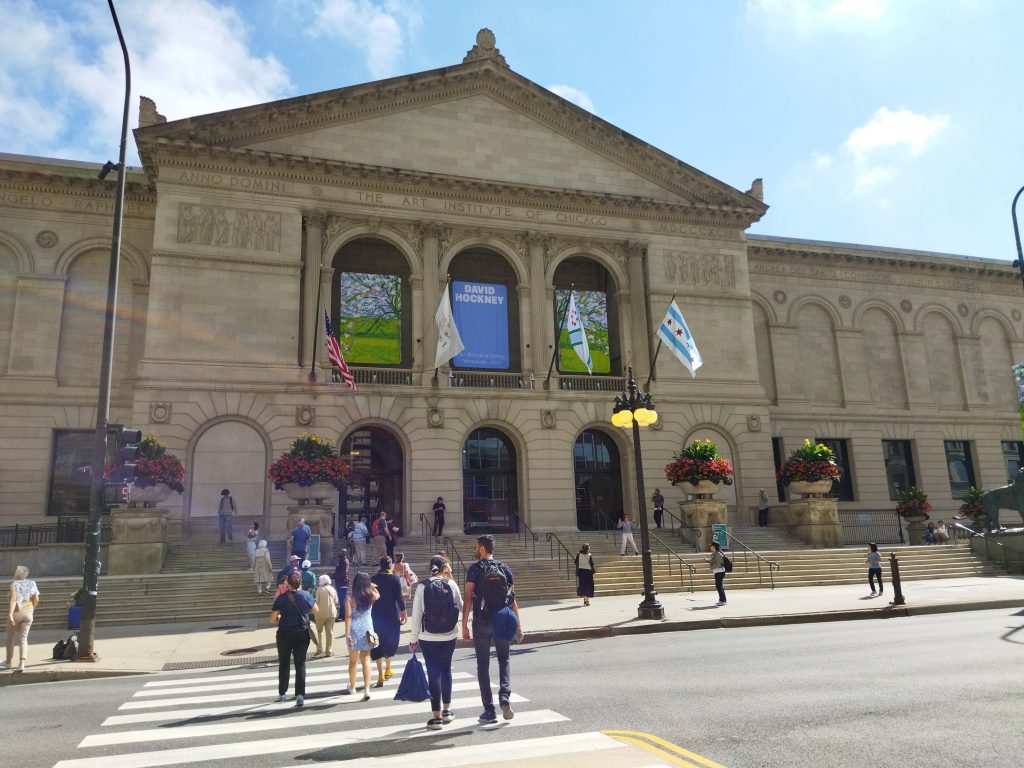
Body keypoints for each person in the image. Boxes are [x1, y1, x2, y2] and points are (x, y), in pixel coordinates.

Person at [462, 534, 522, 724]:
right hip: (502, 619)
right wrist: (518, 625)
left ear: (481, 548)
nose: (474, 549)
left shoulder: (474, 569)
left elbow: (469, 598)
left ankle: (489, 710)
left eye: (475, 546)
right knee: (504, 660)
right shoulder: (504, 567)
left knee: (483, 666)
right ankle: (504, 697)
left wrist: (463, 624)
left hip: (481, 621)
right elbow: (512, 599)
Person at [409, 554, 463, 730]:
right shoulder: (451, 584)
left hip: (427, 636)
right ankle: (447, 710)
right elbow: (461, 606)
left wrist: (413, 639)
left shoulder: (422, 586)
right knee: (446, 669)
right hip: (450, 634)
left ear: (430, 568)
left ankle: (436, 716)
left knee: (433, 673)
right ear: (444, 568)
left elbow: (416, 615)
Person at [270, 570, 316, 707]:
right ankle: (300, 695)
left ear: (287, 583)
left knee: (284, 663)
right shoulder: (306, 595)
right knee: (300, 664)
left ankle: (282, 694)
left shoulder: (281, 598)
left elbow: (273, 618)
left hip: (284, 633)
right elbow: (316, 610)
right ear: (299, 583)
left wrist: (279, 617)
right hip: (301, 633)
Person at [370, 556, 407, 686]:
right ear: (390, 566)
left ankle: (380, 675)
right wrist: (403, 611)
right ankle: (387, 669)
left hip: (377, 615)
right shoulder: (395, 578)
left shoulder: (373, 579)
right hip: (391, 614)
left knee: (377, 643)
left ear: (380, 566)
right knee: (390, 640)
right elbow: (399, 597)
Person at [344, 572, 379, 701]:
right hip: (368, 629)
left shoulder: (350, 597)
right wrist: (371, 585)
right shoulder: (371, 595)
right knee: (366, 660)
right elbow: (378, 595)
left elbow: (348, 616)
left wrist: (347, 634)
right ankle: (366, 690)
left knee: (353, 661)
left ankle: (352, 686)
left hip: (354, 629)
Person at [3, 565, 40, 672]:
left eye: (15, 572)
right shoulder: (32, 583)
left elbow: (14, 599)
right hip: (28, 613)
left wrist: (10, 614)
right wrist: (31, 609)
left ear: (18, 574)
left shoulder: (14, 584)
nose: (13, 573)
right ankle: (21, 664)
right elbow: (36, 599)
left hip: (16, 613)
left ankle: (8, 662)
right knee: (23, 639)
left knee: (10, 638)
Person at [314, 574, 339, 657]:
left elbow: (317, 602)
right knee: (329, 632)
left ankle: (319, 649)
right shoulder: (333, 589)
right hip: (332, 613)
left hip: (320, 614)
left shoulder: (320, 589)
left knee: (318, 632)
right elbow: (336, 601)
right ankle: (329, 651)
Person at [300, 560, 321, 656]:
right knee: (312, 614)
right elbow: (312, 586)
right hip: (310, 596)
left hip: (300, 596)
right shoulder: (312, 575)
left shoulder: (299, 574)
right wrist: (307, 594)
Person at [707, 542, 727, 606]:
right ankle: (722, 600)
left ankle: (723, 601)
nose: (710, 547)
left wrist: (711, 567)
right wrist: (707, 560)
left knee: (719, 586)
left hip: (720, 572)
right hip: (717, 572)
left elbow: (717, 564)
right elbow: (713, 561)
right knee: (719, 586)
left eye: (711, 546)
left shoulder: (718, 554)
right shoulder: (714, 554)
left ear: (714, 547)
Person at [333, 549, 350, 619]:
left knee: (342, 600)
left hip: (342, 583)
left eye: (341, 552)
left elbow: (344, 573)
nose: (339, 553)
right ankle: (341, 614)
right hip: (339, 582)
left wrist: (334, 575)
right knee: (341, 600)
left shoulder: (345, 561)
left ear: (344, 553)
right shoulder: (340, 560)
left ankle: (344, 615)